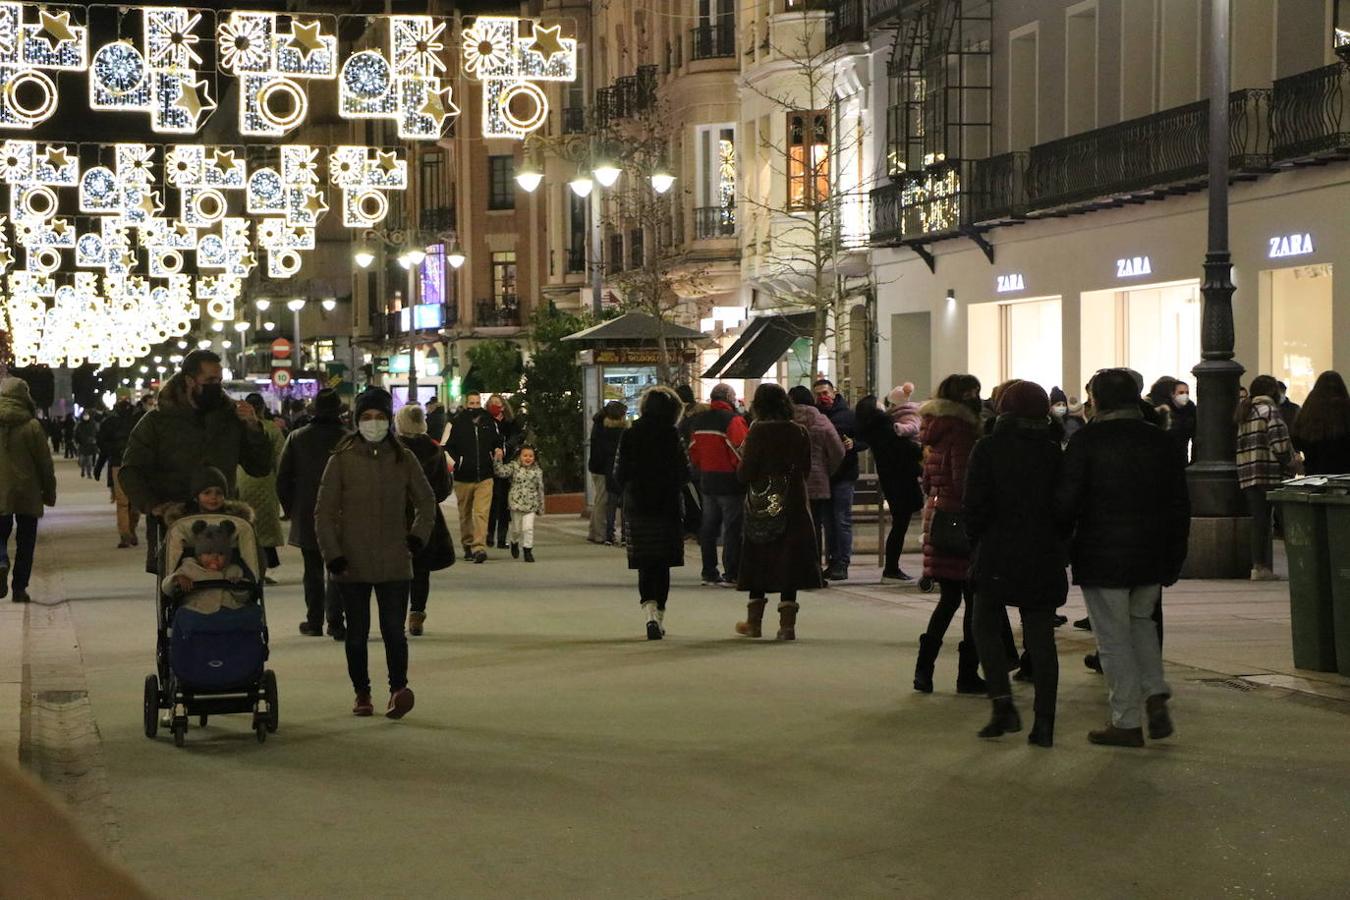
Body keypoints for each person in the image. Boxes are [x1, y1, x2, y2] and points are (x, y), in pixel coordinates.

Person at [1057, 368, 1190, 747]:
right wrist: (1175, 553)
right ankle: (1154, 690)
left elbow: (1068, 499)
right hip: (1151, 550)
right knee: (1142, 624)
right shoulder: (1160, 441)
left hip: (1102, 551)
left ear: (1097, 400)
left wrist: (1061, 539)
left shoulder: (1087, 441)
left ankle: (1126, 720)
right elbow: (1179, 503)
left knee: (1112, 637)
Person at [315, 388, 435, 719]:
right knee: (356, 634)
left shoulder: (403, 458)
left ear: (389, 420)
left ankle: (398, 689)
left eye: (380, 417)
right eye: (366, 417)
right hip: (350, 561)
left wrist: (416, 537)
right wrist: (333, 554)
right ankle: (362, 692)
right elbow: (323, 513)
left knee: (394, 633)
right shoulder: (340, 459)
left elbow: (426, 501)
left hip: (395, 559)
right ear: (356, 421)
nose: (373, 423)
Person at [964, 381, 1067, 747]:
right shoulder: (1054, 450)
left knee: (985, 624)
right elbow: (1065, 506)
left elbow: (974, 504)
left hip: (997, 550)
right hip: (1043, 552)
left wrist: (977, 541)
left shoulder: (989, 448)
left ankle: (1002, 704)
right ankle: (1045, 722)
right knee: (1041, 637)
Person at [118, 350, 272, 573]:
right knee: (179, 592)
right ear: (189, 380)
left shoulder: (231, 418)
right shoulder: (157, 421)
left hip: (223, 522)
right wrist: (154, 506)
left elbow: (259, 467)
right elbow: (130, 471)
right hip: (175, 527)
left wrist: (254, 429)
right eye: (209, 380)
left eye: (219, 380)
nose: (216, 386)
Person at [913, 374, 986, 694]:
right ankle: (966, 674)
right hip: (960, 522)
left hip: (937, 518)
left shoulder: (934, 429)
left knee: (948, 599)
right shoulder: (963, 431)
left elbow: (929, 483)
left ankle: (923, 671)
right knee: (972, 600)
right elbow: (963, 481)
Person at [735, 384, 824, 641]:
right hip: (794, 502)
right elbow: (806, 468)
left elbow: (745, 473)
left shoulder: (757, 432)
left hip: (762, 503)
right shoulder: (799, 432)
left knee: (758, 557)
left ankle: (754, 623)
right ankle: (787, 627)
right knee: (789, 561)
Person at [613, 386, 689, 641]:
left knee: (645, 563)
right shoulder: (672, 436)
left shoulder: (630, 434)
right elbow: (685, 472)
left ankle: (650, 615)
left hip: (638, 506)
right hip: (666, 507)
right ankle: (661, 616)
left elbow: (619, 473)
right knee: (662, 563)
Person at [277, 389, 349, 639]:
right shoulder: (349, 439)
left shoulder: (297, 437)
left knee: (313, 570)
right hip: (343, 512)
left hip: (307, 510)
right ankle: (336, 621)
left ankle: (314, 620)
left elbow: (283, 478)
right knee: (338, 568)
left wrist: (290, 508)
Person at [395, 403, 455, 635]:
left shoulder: (393, 450)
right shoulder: (434, 450)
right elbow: (442, 488)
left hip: (396, 516)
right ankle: (416, 614)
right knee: (421, 569)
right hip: (427, 517)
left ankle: (395, 615)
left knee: (397, 569)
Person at [855, 394, 925, 583]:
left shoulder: (876, 429)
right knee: (900, 526)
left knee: (899, 525)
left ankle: (892, 568)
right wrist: (920, 449)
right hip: (901, 482)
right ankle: (891, 569)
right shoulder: (885, 428)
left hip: (893, 481)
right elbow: (906, 450)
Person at [684, 383, 748, 587]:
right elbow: (740, 450)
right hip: (730, 481)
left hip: (708, 479)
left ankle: (709, 570)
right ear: (730, 398)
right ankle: (732, 571)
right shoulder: (734, 420)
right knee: (732, 527)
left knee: (709, 527)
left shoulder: (699, 421)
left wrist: (702, 466)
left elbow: (693, 451)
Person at [0, 377, 56, 604]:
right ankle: (19, 588)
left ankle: (1, 560)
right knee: (26, 541)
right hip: (27, 491)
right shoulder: (32, 426)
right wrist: (49, 492)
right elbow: (44, 463)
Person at [1237, 375, 1296, 581]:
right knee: (1287, 520)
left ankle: (1259, 567)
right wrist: (1290, 461)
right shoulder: (1269, 410)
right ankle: (1298, 563)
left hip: (1249, 473)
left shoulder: (1246, 411)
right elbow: (1279, 443)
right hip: (1270, 473)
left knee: (1259, 522)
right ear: (1272, 391)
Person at [813, 379, 866, 582]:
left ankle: (842, 563)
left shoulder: (848, 416)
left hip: (844, 474)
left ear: (834, 392)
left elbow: (864, 440)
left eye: (825, 392)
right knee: (828, 521)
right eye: (818, 394)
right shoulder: (816, 415)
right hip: (824, 475)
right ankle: (832, 561)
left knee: (841, 519)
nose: (822, 397)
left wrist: (855, 444)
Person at [788, 386, 845, 569]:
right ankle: (814, 567)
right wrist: (827, 470)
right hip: (818, 480)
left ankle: (796, 565)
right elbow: (837, 450)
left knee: (793, 524)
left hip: (791, 480)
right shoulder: (822, 421)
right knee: (816, 524)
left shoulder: (786, 421)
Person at [445, 392, 502, 563]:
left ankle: (479, 547)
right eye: (471, 402)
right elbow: (445, 447)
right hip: (463, 477)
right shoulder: (456, 423)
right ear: (466, 403)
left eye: (477, 403)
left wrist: (499, 450)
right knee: (465, 514)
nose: (474, 406)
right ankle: (467, 544)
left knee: (481, 513)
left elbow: (498, 441)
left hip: (485, 476)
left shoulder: (489, 422)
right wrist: (456, 465)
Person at [235, 393, 285, 577]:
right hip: (266, 481)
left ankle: (249, 565)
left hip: (241, 480)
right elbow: (280, 456)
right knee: (265, 526)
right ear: (263, 408)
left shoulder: (237, 428)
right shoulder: (271, 429)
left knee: (245, 523)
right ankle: (265, 565)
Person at [98, 400, 142, 548]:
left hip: (135, 464)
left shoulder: (139, 417)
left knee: (135, 502)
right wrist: (112, 451)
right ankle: (125, 535)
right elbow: (102, 442)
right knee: (123, 502)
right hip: (118, 463)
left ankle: (131, 529)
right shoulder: (110, 421)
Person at [493, 444, 546, 562]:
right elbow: (501, 472)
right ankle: (514, 541)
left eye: (531, 456)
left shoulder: (537, 471)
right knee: (516, 529)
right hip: (516, 504)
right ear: (520, 456)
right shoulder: (514, 467)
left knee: (528, 528)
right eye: (525, 455)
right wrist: (498, 460)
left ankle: (528, 550)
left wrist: (541, 506)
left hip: (531, 504)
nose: (528, 458)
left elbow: (540, 489)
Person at [1291, 371, 1350, 475]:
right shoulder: (1346, 408)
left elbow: (1296, 440)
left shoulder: (1309, 410)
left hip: (1314, 472)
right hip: (1344, 474)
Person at [587, 401, 627, 544]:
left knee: (600, 500)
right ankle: (600, 534)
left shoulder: (599, 424)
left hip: (596, 467)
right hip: (603, 468)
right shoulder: (606, 428)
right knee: (602, 502)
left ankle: (594, 531)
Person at [485, 394, 520, 550]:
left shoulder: (510, 424)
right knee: (492, 501)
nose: (495, 406)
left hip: (507, 465)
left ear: (504, 406)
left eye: (497, 403)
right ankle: (489, 534)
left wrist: (506, 448)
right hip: (489, 465)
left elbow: (516, 438)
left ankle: (501, 537)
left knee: (504, 502)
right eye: (492, 403)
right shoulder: (486, 423)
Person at [75, 413, 98, 478]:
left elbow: (96, 433)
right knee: (82, 460)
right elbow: (76, 434)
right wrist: (77, 441)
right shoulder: (79, 425)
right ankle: (82, 469)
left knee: (89, 461)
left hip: (90, 445)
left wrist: (94, 440)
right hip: (82, 445)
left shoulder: (92, 425)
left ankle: (89, 473)